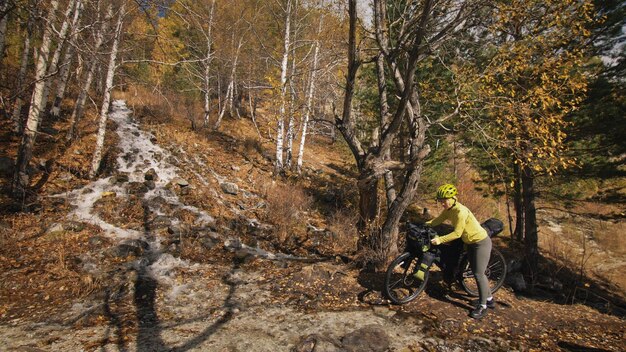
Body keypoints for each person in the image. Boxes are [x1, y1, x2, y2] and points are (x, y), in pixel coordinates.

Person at [425, 184, 494, 319]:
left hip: (481, 243)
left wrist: (440, 240)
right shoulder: (448, 209)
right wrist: (423, 224)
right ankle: (490, 299)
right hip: (470, 243)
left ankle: (483, 306)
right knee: (476, 271)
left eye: (444, 200)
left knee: (479, 274)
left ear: (453, 198)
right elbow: (437, 220)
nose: (442, 203)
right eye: (440, 201)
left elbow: (457, 233)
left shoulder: (460, 211)